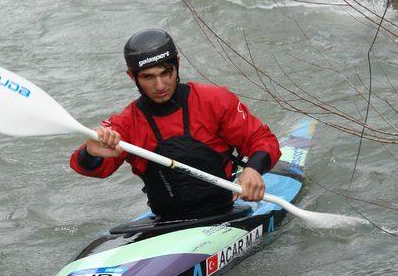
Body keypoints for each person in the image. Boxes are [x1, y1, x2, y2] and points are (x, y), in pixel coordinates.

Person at [70, 29, 281, 220]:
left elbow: (262, 140)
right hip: (166, 221)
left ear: (177, 63)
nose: (160, 85)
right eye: (148, 77)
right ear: (132, 76)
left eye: (166, 72)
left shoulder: (214, 100)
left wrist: (253, 169)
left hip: (224, 210)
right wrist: (91, 153)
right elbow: (88, 167)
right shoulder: (127, 123)